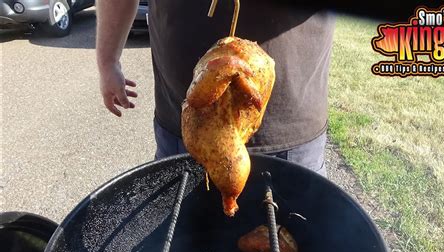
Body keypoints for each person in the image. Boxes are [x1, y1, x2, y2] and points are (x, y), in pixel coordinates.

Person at [97, 0, 336, 178]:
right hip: (180, 131)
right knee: (177, 239)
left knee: (291, 239)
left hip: (290, 138)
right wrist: (108, 60)